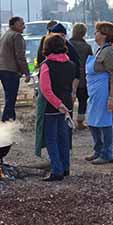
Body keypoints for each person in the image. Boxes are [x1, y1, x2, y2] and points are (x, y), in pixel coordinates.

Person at [39, 34, 78, 181]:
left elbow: (46, 90)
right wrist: (63, 105)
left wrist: (57, 104)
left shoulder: (46, 65)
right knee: (64, 138)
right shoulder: (71, 64)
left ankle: (57, 170)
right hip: (67, 105)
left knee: (51, 139)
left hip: (51, 107)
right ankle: (66, 167)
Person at [85, 22, 113, 165]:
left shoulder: (109, 51)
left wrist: (112, 97)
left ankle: (107, 154)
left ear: (104, 35)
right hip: (94, 91)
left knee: (104, 122)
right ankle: (98, 150)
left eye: (97, 31)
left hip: (103, 91)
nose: (95, 34)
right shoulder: (99, 50)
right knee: (93, 121)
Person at [0, 16, 31, 122]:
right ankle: (5, 121)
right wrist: (27, 73)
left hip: (2, 68)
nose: (24, 27)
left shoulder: (6, 34)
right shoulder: (17, 36)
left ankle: (11, 119)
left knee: (9, 96)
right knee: (11, 97)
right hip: (10, 70)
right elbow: (20, 56)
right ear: (14, 24)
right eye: (21, 24)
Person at [69, 23, 93, 130]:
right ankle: (80, 121)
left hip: (69, 76)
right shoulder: (87, 47)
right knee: (83, 99)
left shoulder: (68, 44)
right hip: (83, 77)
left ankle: (68, 121)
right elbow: (90, 62)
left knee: (69, 99)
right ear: (84, 33)